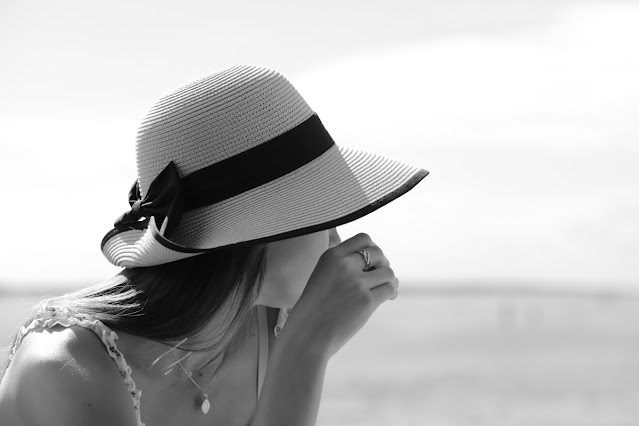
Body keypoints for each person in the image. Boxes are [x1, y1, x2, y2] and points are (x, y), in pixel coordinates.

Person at [0, 64, 428, 426]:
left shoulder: (263, 327)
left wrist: (304, 341)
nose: (338, 239)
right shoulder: (64, 366)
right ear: (257, 237)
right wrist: (306, 347)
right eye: (325, 216)